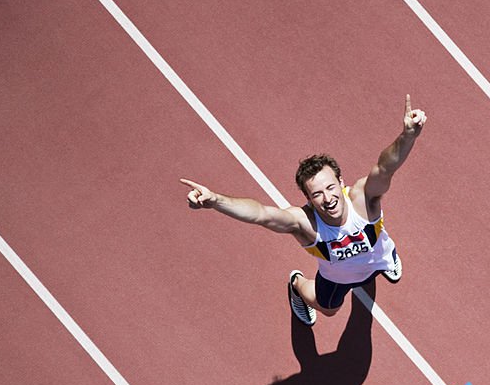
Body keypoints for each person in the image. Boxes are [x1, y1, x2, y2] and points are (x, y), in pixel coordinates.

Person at [179, 95, 427, 325]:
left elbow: (385, 168)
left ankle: (386, 260)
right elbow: (261, 214)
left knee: (380, 246)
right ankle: (297, 285)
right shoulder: (305, 224)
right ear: (307, 198)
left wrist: (408, 136)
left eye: (330, 188)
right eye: (317, 194)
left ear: (341, 182)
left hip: (379, 258)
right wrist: (215, 201)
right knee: (329, 310)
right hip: (337, 279)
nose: (328, 199)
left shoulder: (362, 198)